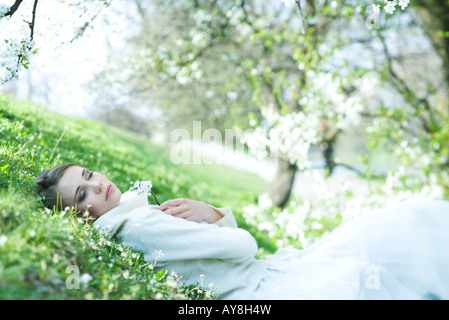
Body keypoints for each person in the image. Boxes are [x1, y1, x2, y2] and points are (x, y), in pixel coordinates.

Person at [34, 163, 449, 300]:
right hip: (265, 287)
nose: (96, 185)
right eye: (81, 194)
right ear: (77, 216)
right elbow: (243, 247)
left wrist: (212, 215)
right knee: (394, 239)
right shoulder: (138, 224)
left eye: (88, 175)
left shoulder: (131, 218)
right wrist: (214, 215)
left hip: (267, 277)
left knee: (391, 235)